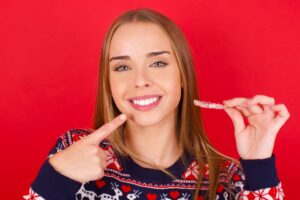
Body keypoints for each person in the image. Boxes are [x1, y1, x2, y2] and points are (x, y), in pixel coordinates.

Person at [23, 8, 289, 200]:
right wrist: (55, 180)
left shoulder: (227, 179)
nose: (140, 80)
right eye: (123, 67)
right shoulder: (74, 151)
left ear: (183, 75)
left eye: (158, 63)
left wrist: (258, 165)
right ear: (109, 83)